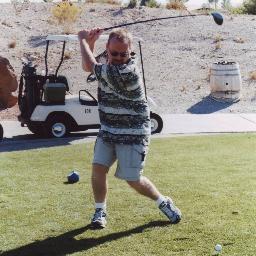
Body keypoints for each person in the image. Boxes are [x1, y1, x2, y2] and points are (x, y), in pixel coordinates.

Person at [78, 28, 181, 229]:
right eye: (114, 53)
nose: (118, 57)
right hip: (108, 130)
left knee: (133, 180)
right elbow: (87, 66)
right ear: (107, 49)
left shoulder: (128, 72)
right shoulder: (108, 64)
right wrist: (90, 43)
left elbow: (91, 65)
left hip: (133, 133)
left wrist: (82, 40)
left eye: (123, 54)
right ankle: (100, 211)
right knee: (98, 169)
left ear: (130, 52)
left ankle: (163, 201)